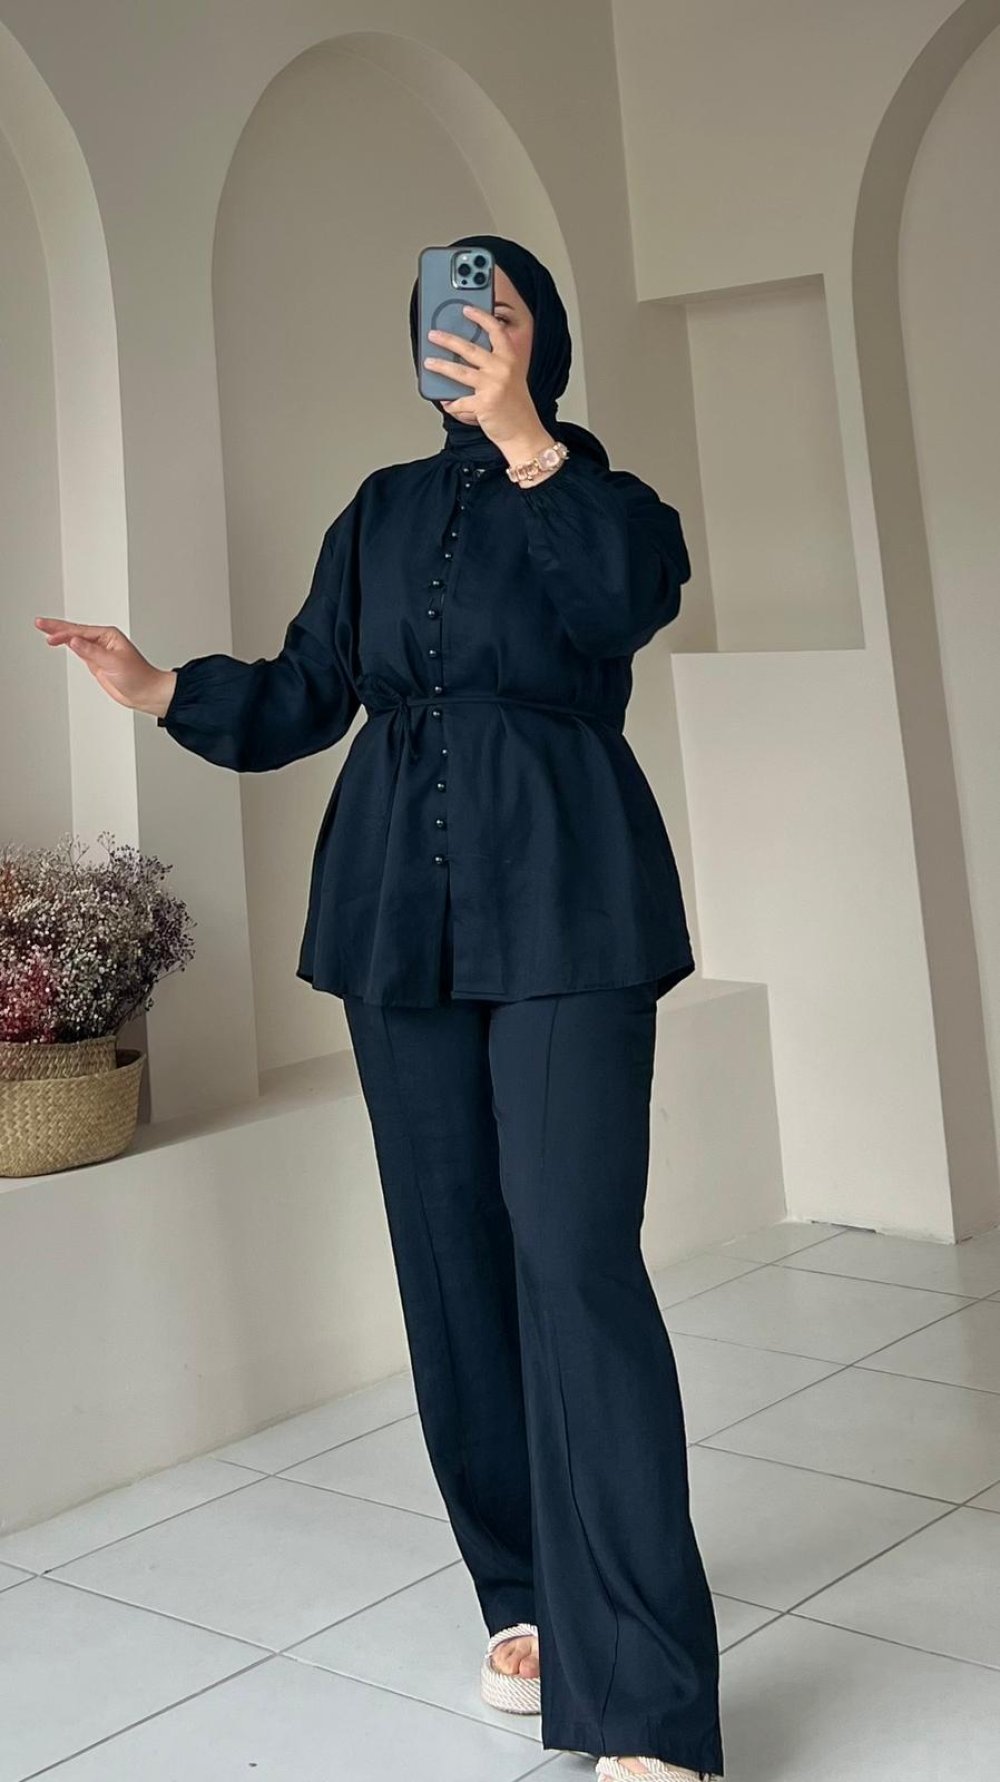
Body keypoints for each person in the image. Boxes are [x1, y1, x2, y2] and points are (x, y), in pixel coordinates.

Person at [35, 233, 724, 1782]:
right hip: (395, 920)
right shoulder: (380, 511)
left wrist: (531, 440)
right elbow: (304, 689)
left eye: (494, 308)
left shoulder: (606, 501)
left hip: (569, 908)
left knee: (574, 1258)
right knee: (452, 1266)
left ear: (540, 335)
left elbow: (621, 605)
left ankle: (647, 1698)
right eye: (441, 311)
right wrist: (160, 690)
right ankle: (523, 1584)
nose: (463, 329)